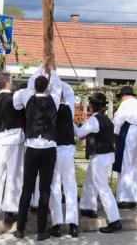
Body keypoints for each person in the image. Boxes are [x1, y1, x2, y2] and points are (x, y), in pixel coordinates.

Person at [13, 66, 62, 241]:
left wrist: (41, 67)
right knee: (44, 190)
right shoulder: (54, 100)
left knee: (27, 188)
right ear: (47, 86)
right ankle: (41, 231)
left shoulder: (28, 99)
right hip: (49, 147)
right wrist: (51, 69)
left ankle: (20, 228)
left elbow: (29, 85)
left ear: (34, 87)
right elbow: (58, 86)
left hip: (32, 146)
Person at [75, 91, 122, 234]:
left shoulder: (94, 120)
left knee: (103, 188)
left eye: (90, 104)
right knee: (89, 181)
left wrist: (71, 123)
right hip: (107, 155)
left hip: (99, 157)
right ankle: (88, 208)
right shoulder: (107, 119)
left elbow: (79, 133)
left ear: (92, 106)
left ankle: (114, 220)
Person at [0, 71, 25, 225]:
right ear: (8, 82)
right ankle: (9, 211)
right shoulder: (15, 98)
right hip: (13, 139)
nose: (12, 83)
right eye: (11, 81)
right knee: (14, 176)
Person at [49, 80, 79, 238]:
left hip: (55, 150)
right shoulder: (68, 109)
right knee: (70, 188)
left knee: (55, 188)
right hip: (68, 151)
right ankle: (73, 225)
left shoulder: (50, 109)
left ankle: (56, 225)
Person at [112, 86, 137, 208]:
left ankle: (123, 198)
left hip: (128, 133)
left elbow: (118, 120)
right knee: (136, 166)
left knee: (125, 165)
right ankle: (133, 198)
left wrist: (114, 133)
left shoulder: (125, 104)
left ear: (123, 95)